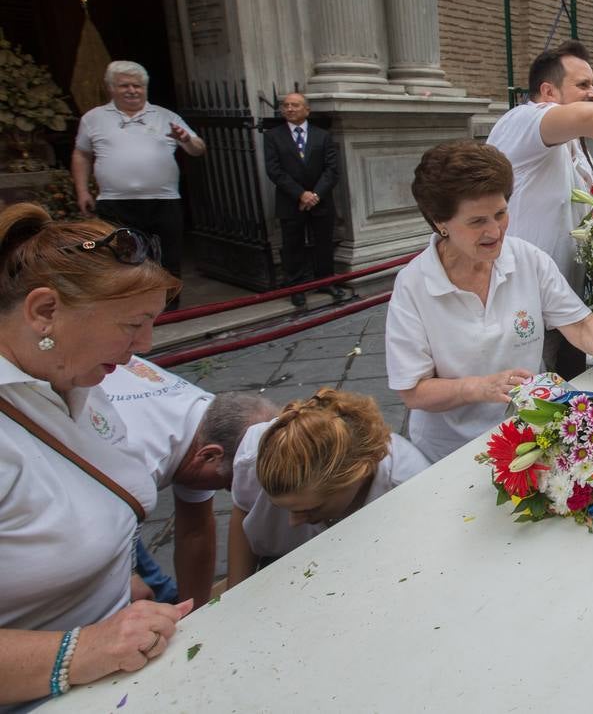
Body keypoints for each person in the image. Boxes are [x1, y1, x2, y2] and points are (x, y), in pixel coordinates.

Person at [0, 204, 192, 708]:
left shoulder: (73, 373)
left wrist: (114, 574)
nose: (142, 347)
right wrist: (82, 649)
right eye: (133, 325)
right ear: (45, 311)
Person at [385, 141, 593, 463]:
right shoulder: (414, 286)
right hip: (451, 453)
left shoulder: (526, 258)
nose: (494, 231)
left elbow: (580, 323)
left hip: (529, 432)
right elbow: (413, 390)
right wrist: (479, 388)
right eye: (477, 222)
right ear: (439, 222)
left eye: (501, 214)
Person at [487, 41, 593, 377]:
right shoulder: (524, 120)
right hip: (522, 302)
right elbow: (592, 115)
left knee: (571, 396)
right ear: (548, 91)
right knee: (528, 403)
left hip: (566, 302)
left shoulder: (571, 142)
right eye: (582, 85)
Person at [82, 360, 275, 609]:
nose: (229, 492)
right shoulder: (136, 465)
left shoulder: (206, 419)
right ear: (208, 456)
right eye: (230, 485)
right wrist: (125, 577)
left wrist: (196, 612)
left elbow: (195, 531)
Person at [226, 389, 431, 586]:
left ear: (359, 474)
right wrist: (233, 596)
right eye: (282, 507)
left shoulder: (410, 486)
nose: (293, 521)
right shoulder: (254, 454)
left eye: (310, 509)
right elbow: (243, 511)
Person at [71, 61, 206, 281]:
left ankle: (170, 310)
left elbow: (198, 149)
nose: (132, 90)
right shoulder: (93, 118)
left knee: (167, 259)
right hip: (115, 203)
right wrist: (82, 191)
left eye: (138, 86)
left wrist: (187, 140)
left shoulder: (166, 116)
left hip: (163, 201)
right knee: (124, 261)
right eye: (125, 86)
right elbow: (81, 155)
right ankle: (132, 309)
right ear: (111, 88)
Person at [263, 92, 348, 308]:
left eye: (295, 105)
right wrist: (301, 194)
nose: (289, 109)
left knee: (323, 243)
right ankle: (297, 287)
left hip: (321, 201)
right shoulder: (273, 136)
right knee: (293, 245)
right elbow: (274, 171)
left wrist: (315, 195)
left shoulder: (322, 136)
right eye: (286, 105)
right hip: (291, 201)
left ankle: (326, 282)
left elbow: (332, 170)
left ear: (307, 110)